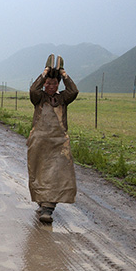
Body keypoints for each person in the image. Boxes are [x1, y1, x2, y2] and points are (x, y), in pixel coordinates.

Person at [28, 55, 79, 223]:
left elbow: (74, 91)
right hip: (39, 143)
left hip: (58, 145)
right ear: (44, 84)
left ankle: (49, 209)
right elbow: (33, 91)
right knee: (40, 173)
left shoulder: (63, 98)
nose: (51, 86)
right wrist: (44, 73)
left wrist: (64, 74)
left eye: (54, 83)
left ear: (58, 85)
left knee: (57, 175)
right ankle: (43, 203)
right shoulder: (39, 98)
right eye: (48, 83)